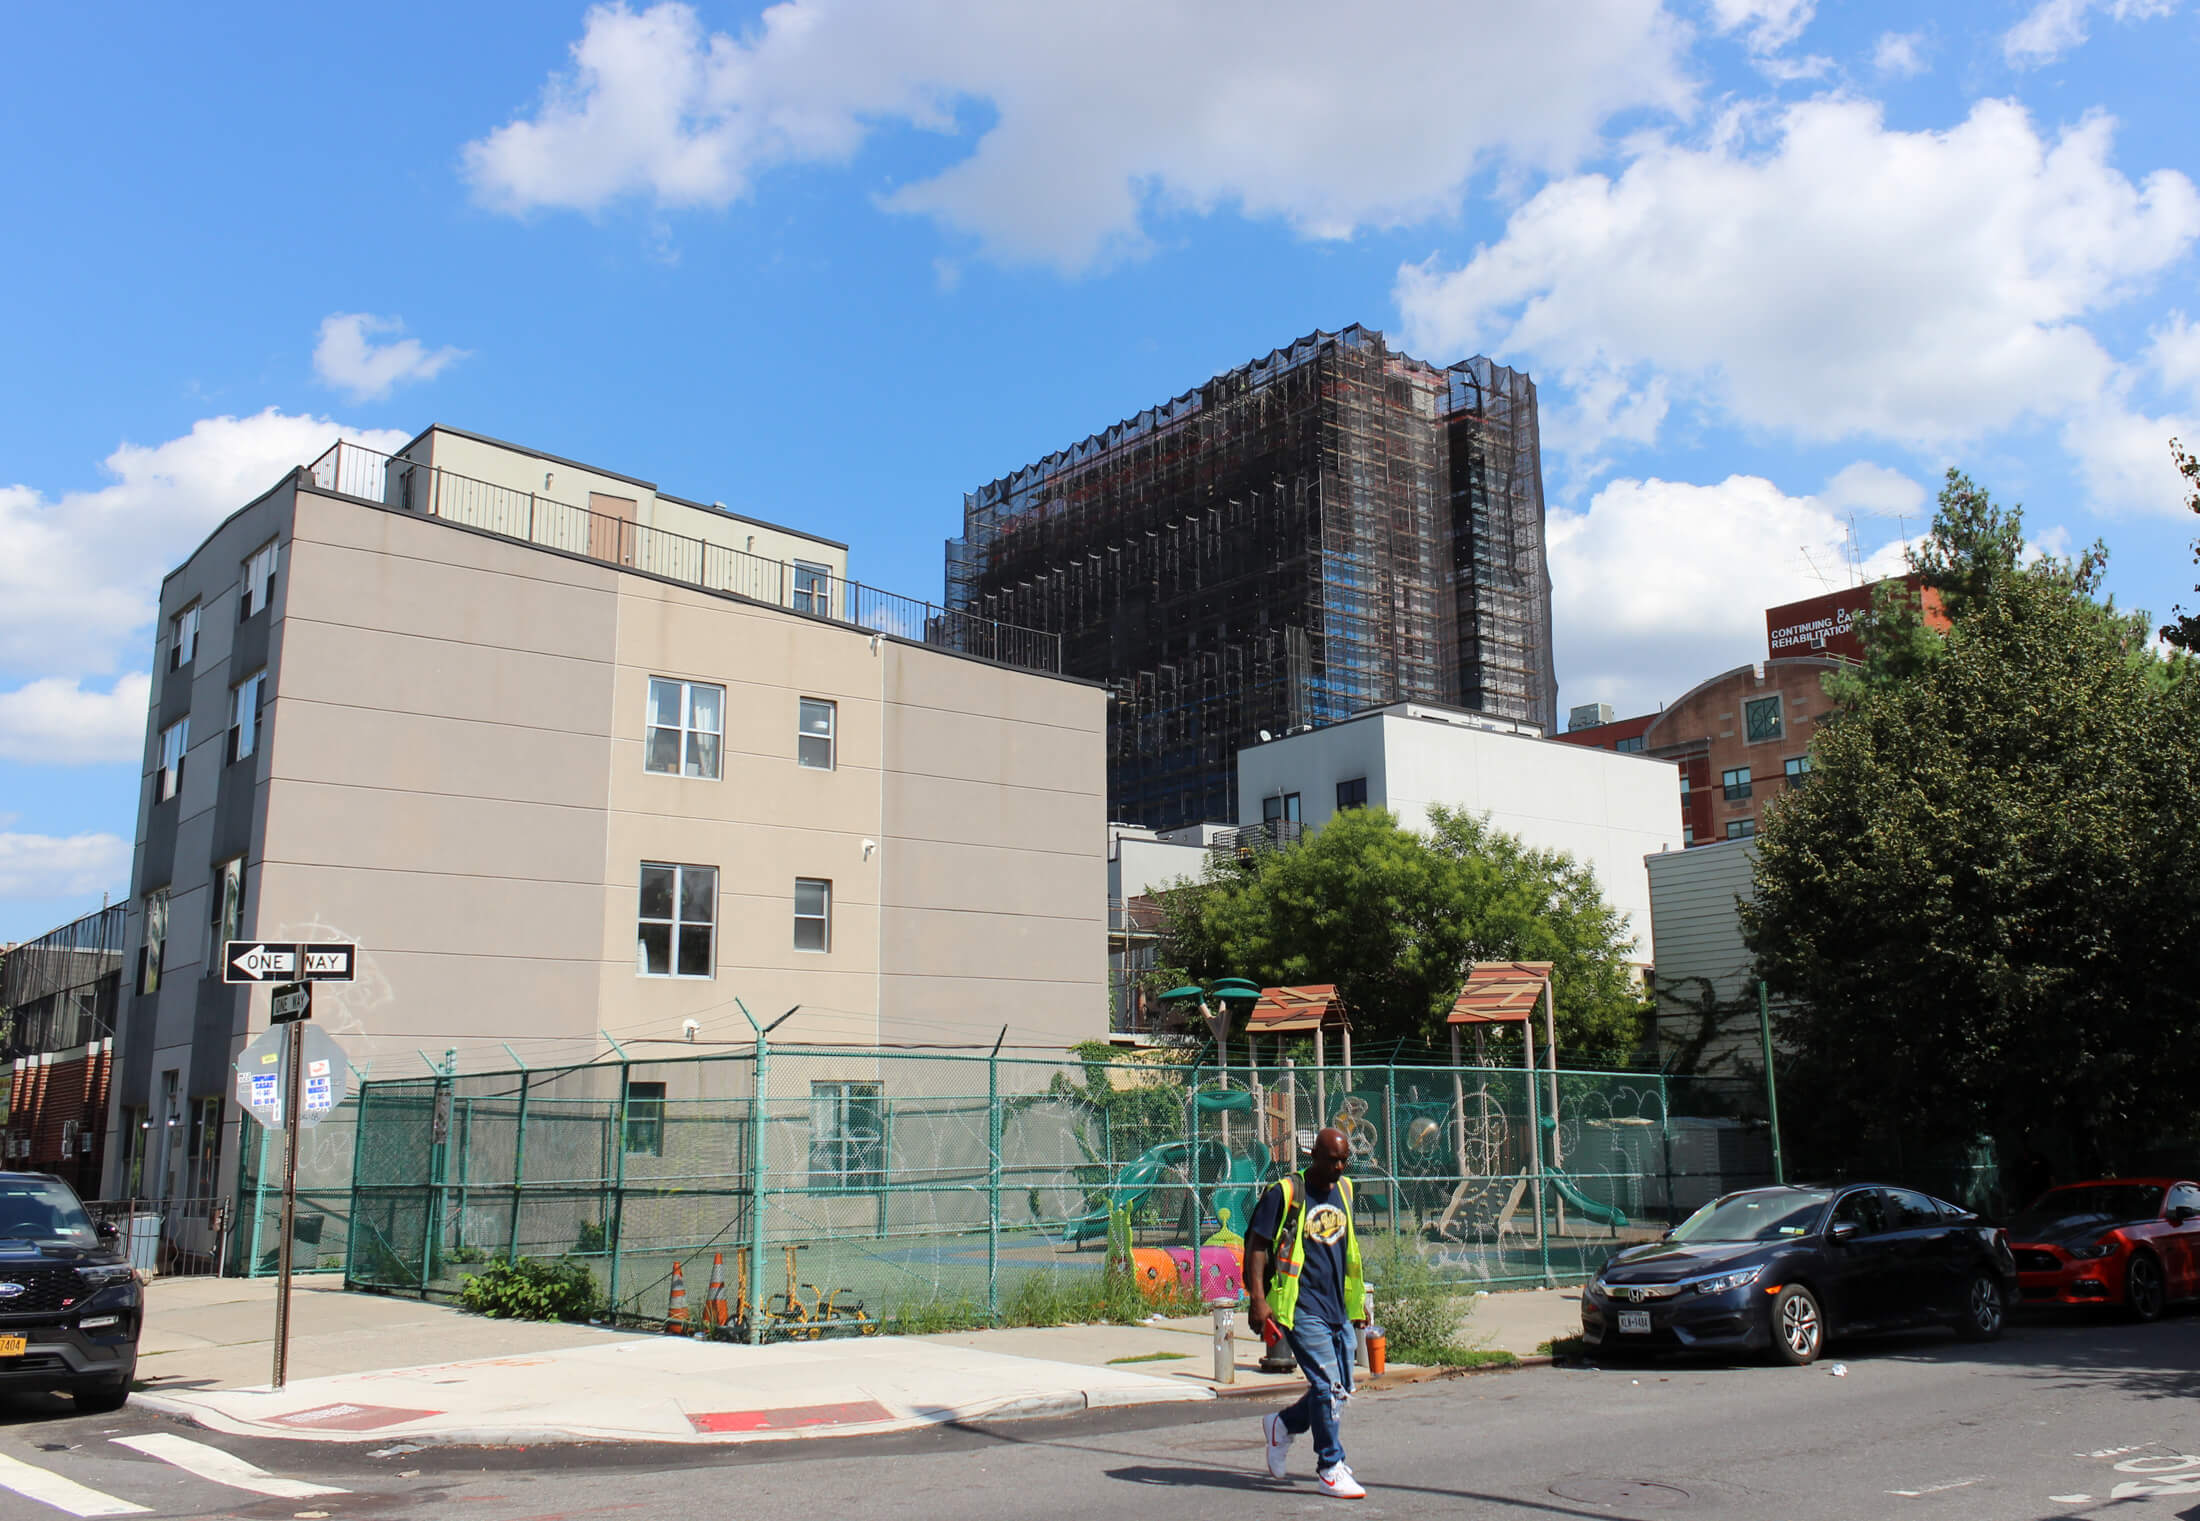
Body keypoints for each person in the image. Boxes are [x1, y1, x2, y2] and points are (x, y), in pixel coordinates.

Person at [1244, 1126, 1367, 1500]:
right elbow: (1257, 1245)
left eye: (1345, 1160)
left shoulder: (1344, 1190)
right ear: (1313, 1156)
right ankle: (1330, 1467)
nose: (1341, 1167)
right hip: (1301, 1307)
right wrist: (1257, 1298)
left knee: (1340, 1390)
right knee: (1328, 1389)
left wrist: (1358, 1305)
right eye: (1333, 1160)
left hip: (1338, 1307)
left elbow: (1348, 1251)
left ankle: (1283, 1424)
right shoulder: (1285, 1192)